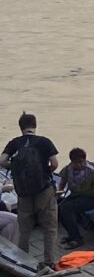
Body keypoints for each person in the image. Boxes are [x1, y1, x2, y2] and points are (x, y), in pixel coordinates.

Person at [0, 113, 59, 267]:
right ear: (35, 125)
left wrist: (14, 167)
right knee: (49, 227)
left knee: (24, 227)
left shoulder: (14, 143)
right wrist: (46, 171)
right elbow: (54, 163)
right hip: (43, 189)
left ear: (21, 127)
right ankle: (49, 262)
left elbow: (1, 161)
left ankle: (23, 260)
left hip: (23, 191)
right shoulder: (44, 142)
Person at [57, 147, 94, 249]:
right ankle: (71, 234)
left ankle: (77, 239)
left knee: (67, 208)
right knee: (60, 207)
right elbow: (62, 184)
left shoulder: (92, 172)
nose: (79, 165)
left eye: (81, 162)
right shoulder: (68, 169)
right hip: (76, 195)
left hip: (91, 198)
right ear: (72, 162)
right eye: (76, 163)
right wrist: (57, 193)